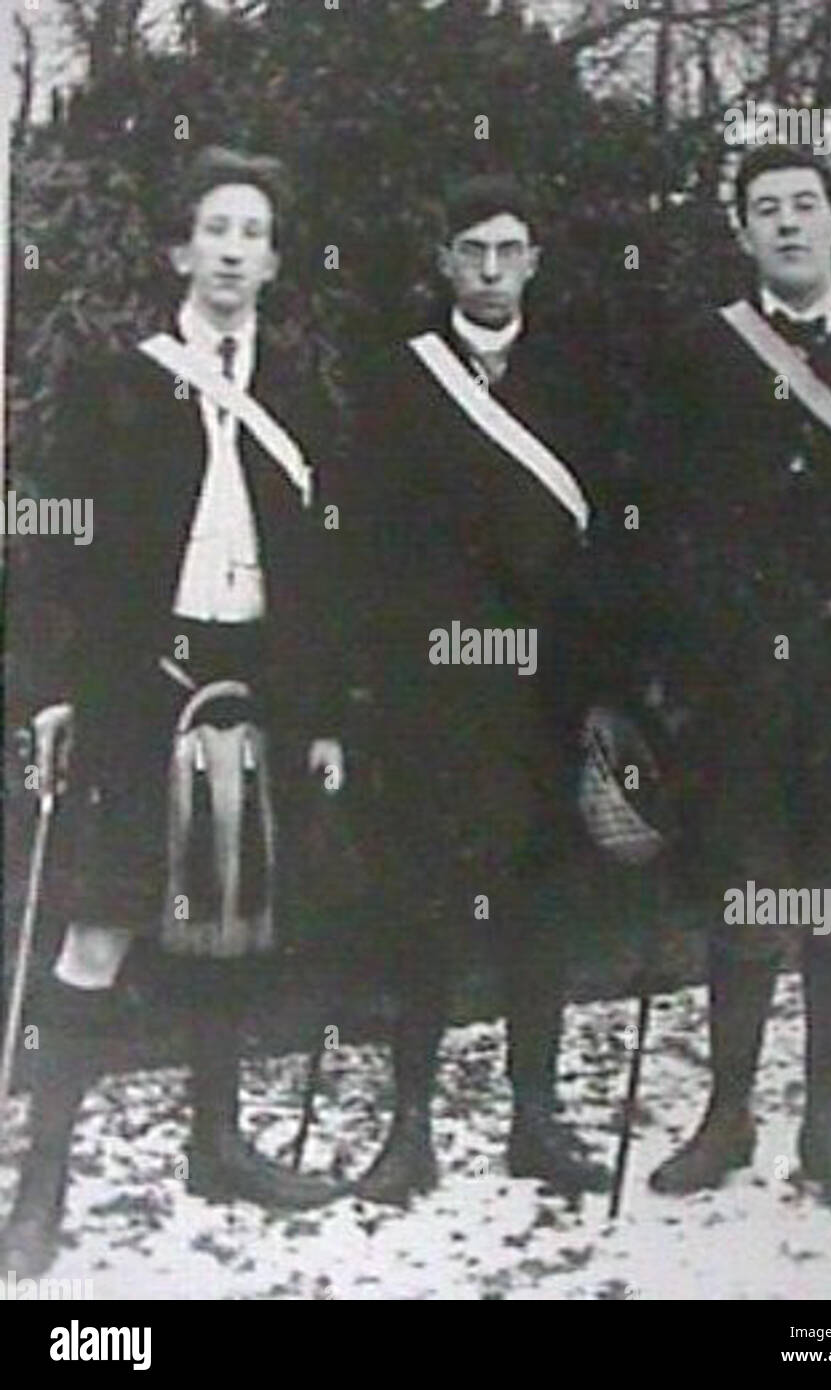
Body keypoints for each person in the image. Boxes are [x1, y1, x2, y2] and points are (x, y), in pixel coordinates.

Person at [1, 146, 343, 1277]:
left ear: (275, 260)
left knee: (227, 915)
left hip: (252, 679)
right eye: (217, 229)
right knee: (99, 923)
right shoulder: (119, 380)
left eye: (256, 232)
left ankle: (217, 1144)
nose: (236, 250)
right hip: (137, 678)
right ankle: (39, 1185)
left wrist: (325, 709)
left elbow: (325, 561)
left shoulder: (298, 389)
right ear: (180, 251)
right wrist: (51, 689)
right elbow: (55, 542)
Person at [618, 144, 831, 1206]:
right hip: (740, 684)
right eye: (766, 209)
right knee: (749, 893)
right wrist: (674, 664)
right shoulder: (700, 355)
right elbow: (660, 519)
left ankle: (825, 1122)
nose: (789, 225)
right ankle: (727, 1117)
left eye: (806, 206)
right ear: (744, 232)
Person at [335, 173, 611, 1205]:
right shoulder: (395, 380)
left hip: (544, 688)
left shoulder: (577, 379)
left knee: (540, 901)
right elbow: (367, 543)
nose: (491, 269)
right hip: (432, 688)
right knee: (426, 903)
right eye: (472, 251)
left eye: (509, 250)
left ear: (533, 260)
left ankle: (533, 1116)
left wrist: (600, 679)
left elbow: (604, 538)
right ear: (445, 263)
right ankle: (410, 1127)